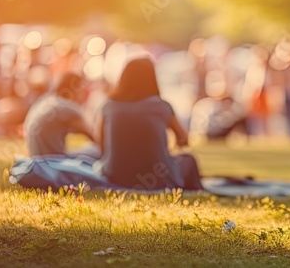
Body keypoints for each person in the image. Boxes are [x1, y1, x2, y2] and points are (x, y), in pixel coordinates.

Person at [97, 58, 202, 190]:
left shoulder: (109, 106)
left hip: (116, 177)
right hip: (157, 179)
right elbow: (184, 140)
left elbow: (100, 143)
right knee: (188, 160)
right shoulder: (161, 106)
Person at [23, 73, 96, 156]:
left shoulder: (44, 101)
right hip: (53, 161)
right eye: (83, 90)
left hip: (35, 159)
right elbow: (95, 136)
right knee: (94, 151)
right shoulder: (69, 107)